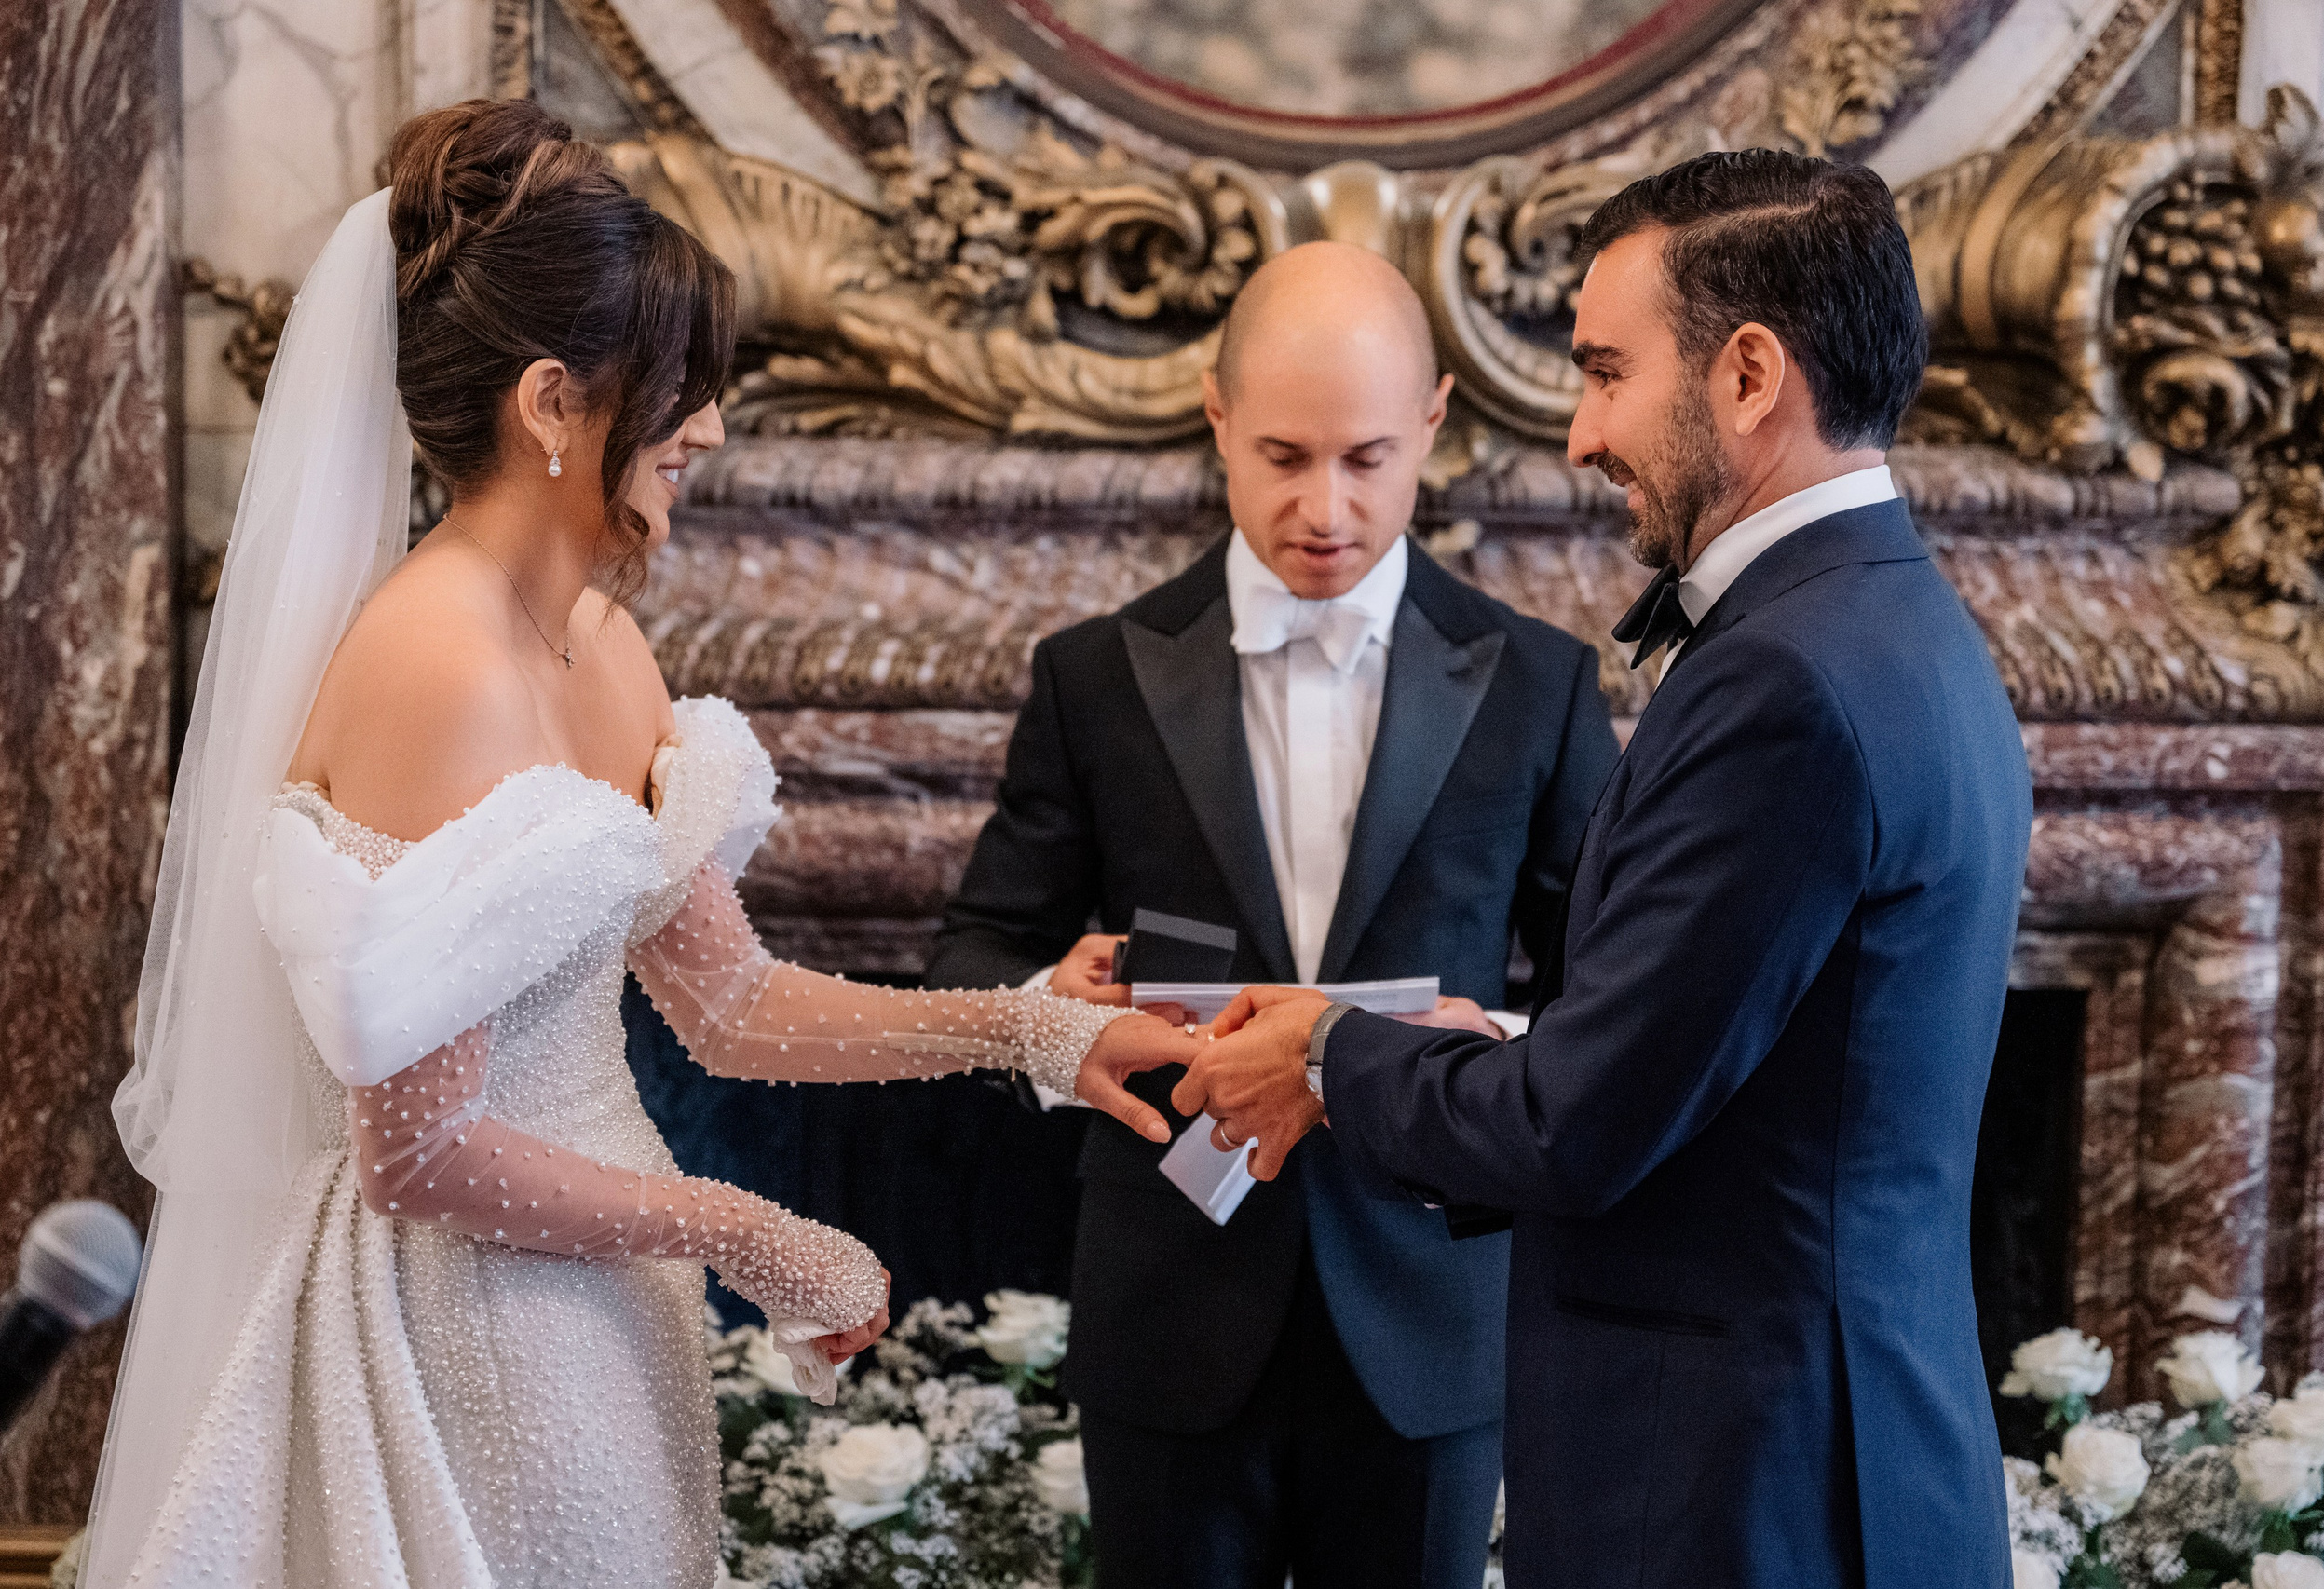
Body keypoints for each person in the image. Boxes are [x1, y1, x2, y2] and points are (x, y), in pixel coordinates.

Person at [81, 100, 1190, 1589]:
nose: (711, 428)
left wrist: (1032, 1028)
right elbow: (417, 1153)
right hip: (476, 1329)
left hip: (611, 1300)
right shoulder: (433, 667)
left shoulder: (602, 644)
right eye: (679, 388)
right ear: (551, 402)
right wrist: (744, 1225)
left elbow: (726, 1006)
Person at [1176, 150, 2032, 1588]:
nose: (1580, 434)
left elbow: (1581, 1126)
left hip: (1747, 1490)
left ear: (1749, 373)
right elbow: (1745, 1066)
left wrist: (1329, 1055)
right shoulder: (1901, 627)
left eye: (1606, 372)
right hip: (1844, 1453)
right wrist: (1498, 1039)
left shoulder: (1788, 683)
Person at [924, 241, 1617, 1589]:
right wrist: (1046, 1017)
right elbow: (971, 959)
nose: (1325, 506)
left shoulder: (1539, 686)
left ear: (1433, 424)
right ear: (1217, 419)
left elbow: (1611, 998)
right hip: (1169, 1311)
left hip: (1428, 1308)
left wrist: (1485, 1037)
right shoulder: (1093, 677)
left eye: (1367, 458)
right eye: (1284, 455)